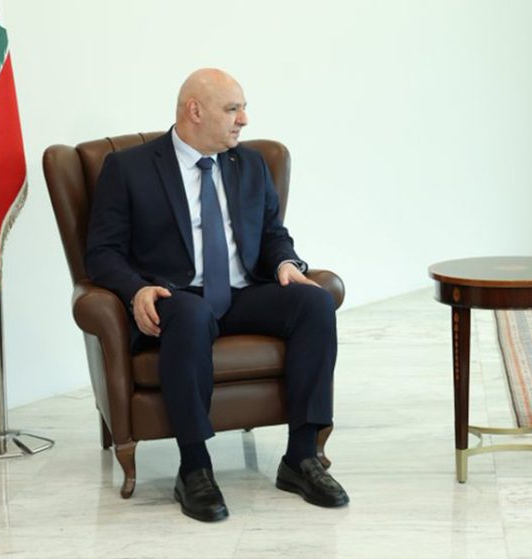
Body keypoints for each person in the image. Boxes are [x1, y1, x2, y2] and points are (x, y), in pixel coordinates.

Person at [86, 68, 348, 522]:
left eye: (243, 109)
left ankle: (301, 457)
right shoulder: (129, 168)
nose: (243, 119)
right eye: (232, 109)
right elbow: (102, 252)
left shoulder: (250, 164)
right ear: (195, 111)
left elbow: (272, 234)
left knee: (315, 303)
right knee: (189, 315)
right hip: (176, 296)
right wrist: (136, 289)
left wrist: (286, 264)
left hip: (243, 292)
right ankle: (194, 468)